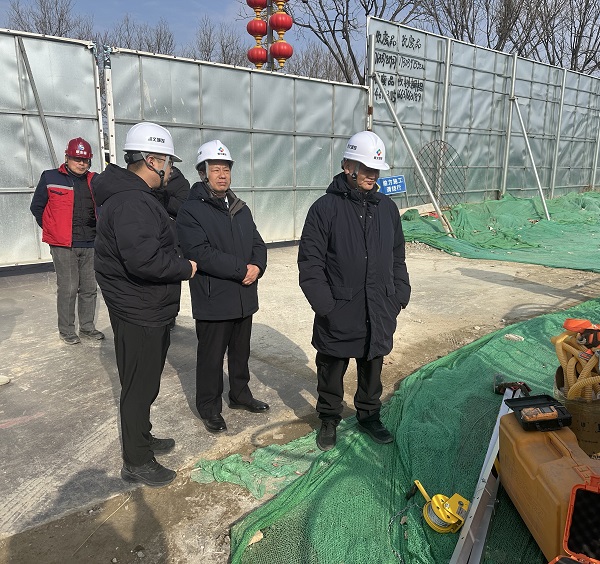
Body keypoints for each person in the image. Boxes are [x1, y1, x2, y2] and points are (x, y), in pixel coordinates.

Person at [93, 122, 197, 487]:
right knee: (139, 386)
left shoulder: (134, 197)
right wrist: (185, 267)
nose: (170, 170)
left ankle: (142, 437)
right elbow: (145, 261)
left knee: (144, 382)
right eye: (168, 162)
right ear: (152, 160)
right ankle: (136, 461)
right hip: (139, 309)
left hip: (144, 305)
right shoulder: (132, 202)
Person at [297, 131, 411, 451]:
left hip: (379, 304)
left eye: (376, 169)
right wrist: (325, 305)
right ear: (348, 166)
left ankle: (369, 415)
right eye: (366, 168)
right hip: (339, 306)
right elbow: (310, 262)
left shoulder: (387, 209)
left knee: (372, 363)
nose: (372, 175)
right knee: (332, 366)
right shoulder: (325, 208)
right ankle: (329, 417)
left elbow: (397, 256)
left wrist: (399, 294)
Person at [177, 140, 268, 434]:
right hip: (213, 298)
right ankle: (209, 407)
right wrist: (242, 270)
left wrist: (257, 266)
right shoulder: (191, 211)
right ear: (202, 172)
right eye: (215, 169)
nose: (222, 175)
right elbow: (199, 253)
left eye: (226, 169)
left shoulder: (240, 208)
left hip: (243, 295)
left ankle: (240, 395)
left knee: (241, 353)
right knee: (211, 358)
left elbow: (257, 242)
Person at [30, 137, 104, 345]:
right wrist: (52, 230)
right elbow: (37, 207)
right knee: (68, 288)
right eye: (76, 159)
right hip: (64, 245)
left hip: (91, 243)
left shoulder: (95, 180)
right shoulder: (50, 177)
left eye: (85, 160)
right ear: (67, 157)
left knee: (89, 288)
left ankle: (87, 327)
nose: (81, 163)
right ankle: (67, 330)